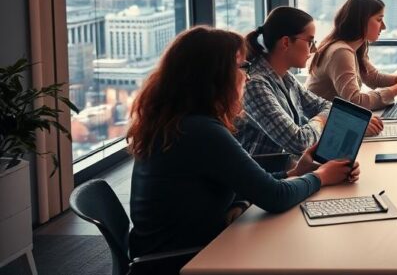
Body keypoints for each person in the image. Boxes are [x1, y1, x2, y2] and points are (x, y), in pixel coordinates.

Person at [127, 26, 359, 258]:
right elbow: (276, 197)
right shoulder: (201, 131)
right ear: (217, 76)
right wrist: (321, 176)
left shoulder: (180, 123)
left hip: (185, 248)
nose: (247, 76)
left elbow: (248, 183)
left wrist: (297, 172)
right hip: (182, 260)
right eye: (242, 67)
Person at [237, 7, 384, 157]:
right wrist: (323, 120)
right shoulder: (255, 84)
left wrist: (352, 122)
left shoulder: (286, 77)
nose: (314, 50)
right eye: (310, 41)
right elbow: (299, 142)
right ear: (286, 42)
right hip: (268, 170)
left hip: (292, 165)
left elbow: (325, 105)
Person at [307, 0, 397, 109]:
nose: (384, 27)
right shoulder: (340, 52)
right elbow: (355, 101)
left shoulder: (356, 46)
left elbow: (373, 78)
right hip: (322, 120)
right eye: (379, 20)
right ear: (362, 21)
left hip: (332, 116)